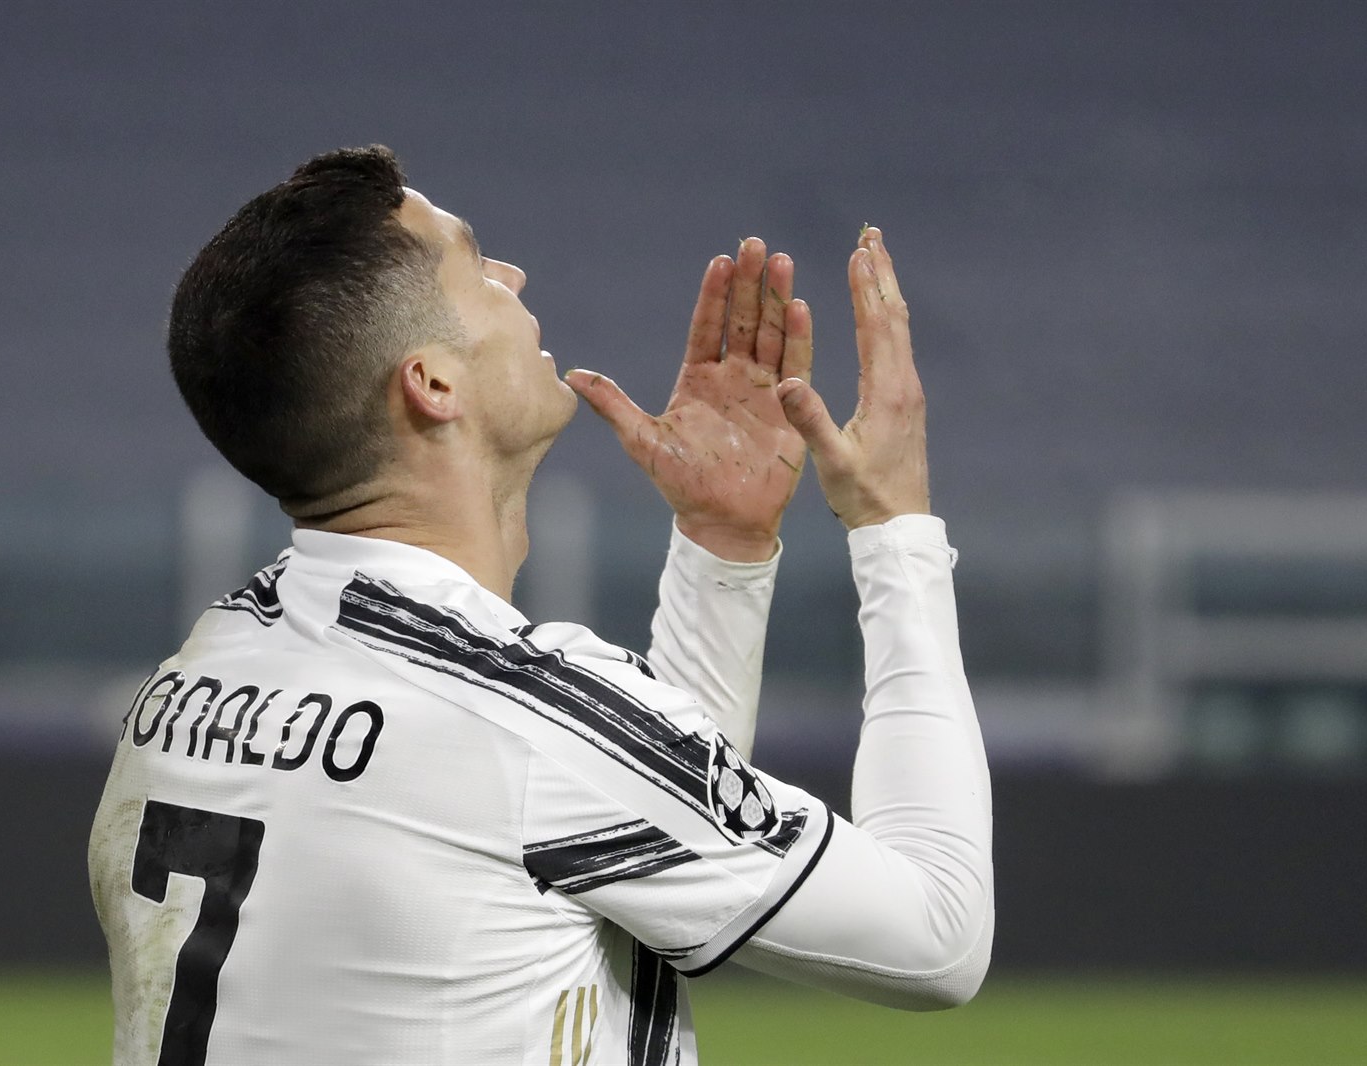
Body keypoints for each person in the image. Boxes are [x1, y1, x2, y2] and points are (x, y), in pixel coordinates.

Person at [88, 145, 992, 1066]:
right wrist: (896, 529)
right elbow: (939, 932)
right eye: (478, 265)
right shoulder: (518, 720)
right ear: (433, 383)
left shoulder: (191, 679)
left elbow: (632, 831)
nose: (513, 277)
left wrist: (722, 550)